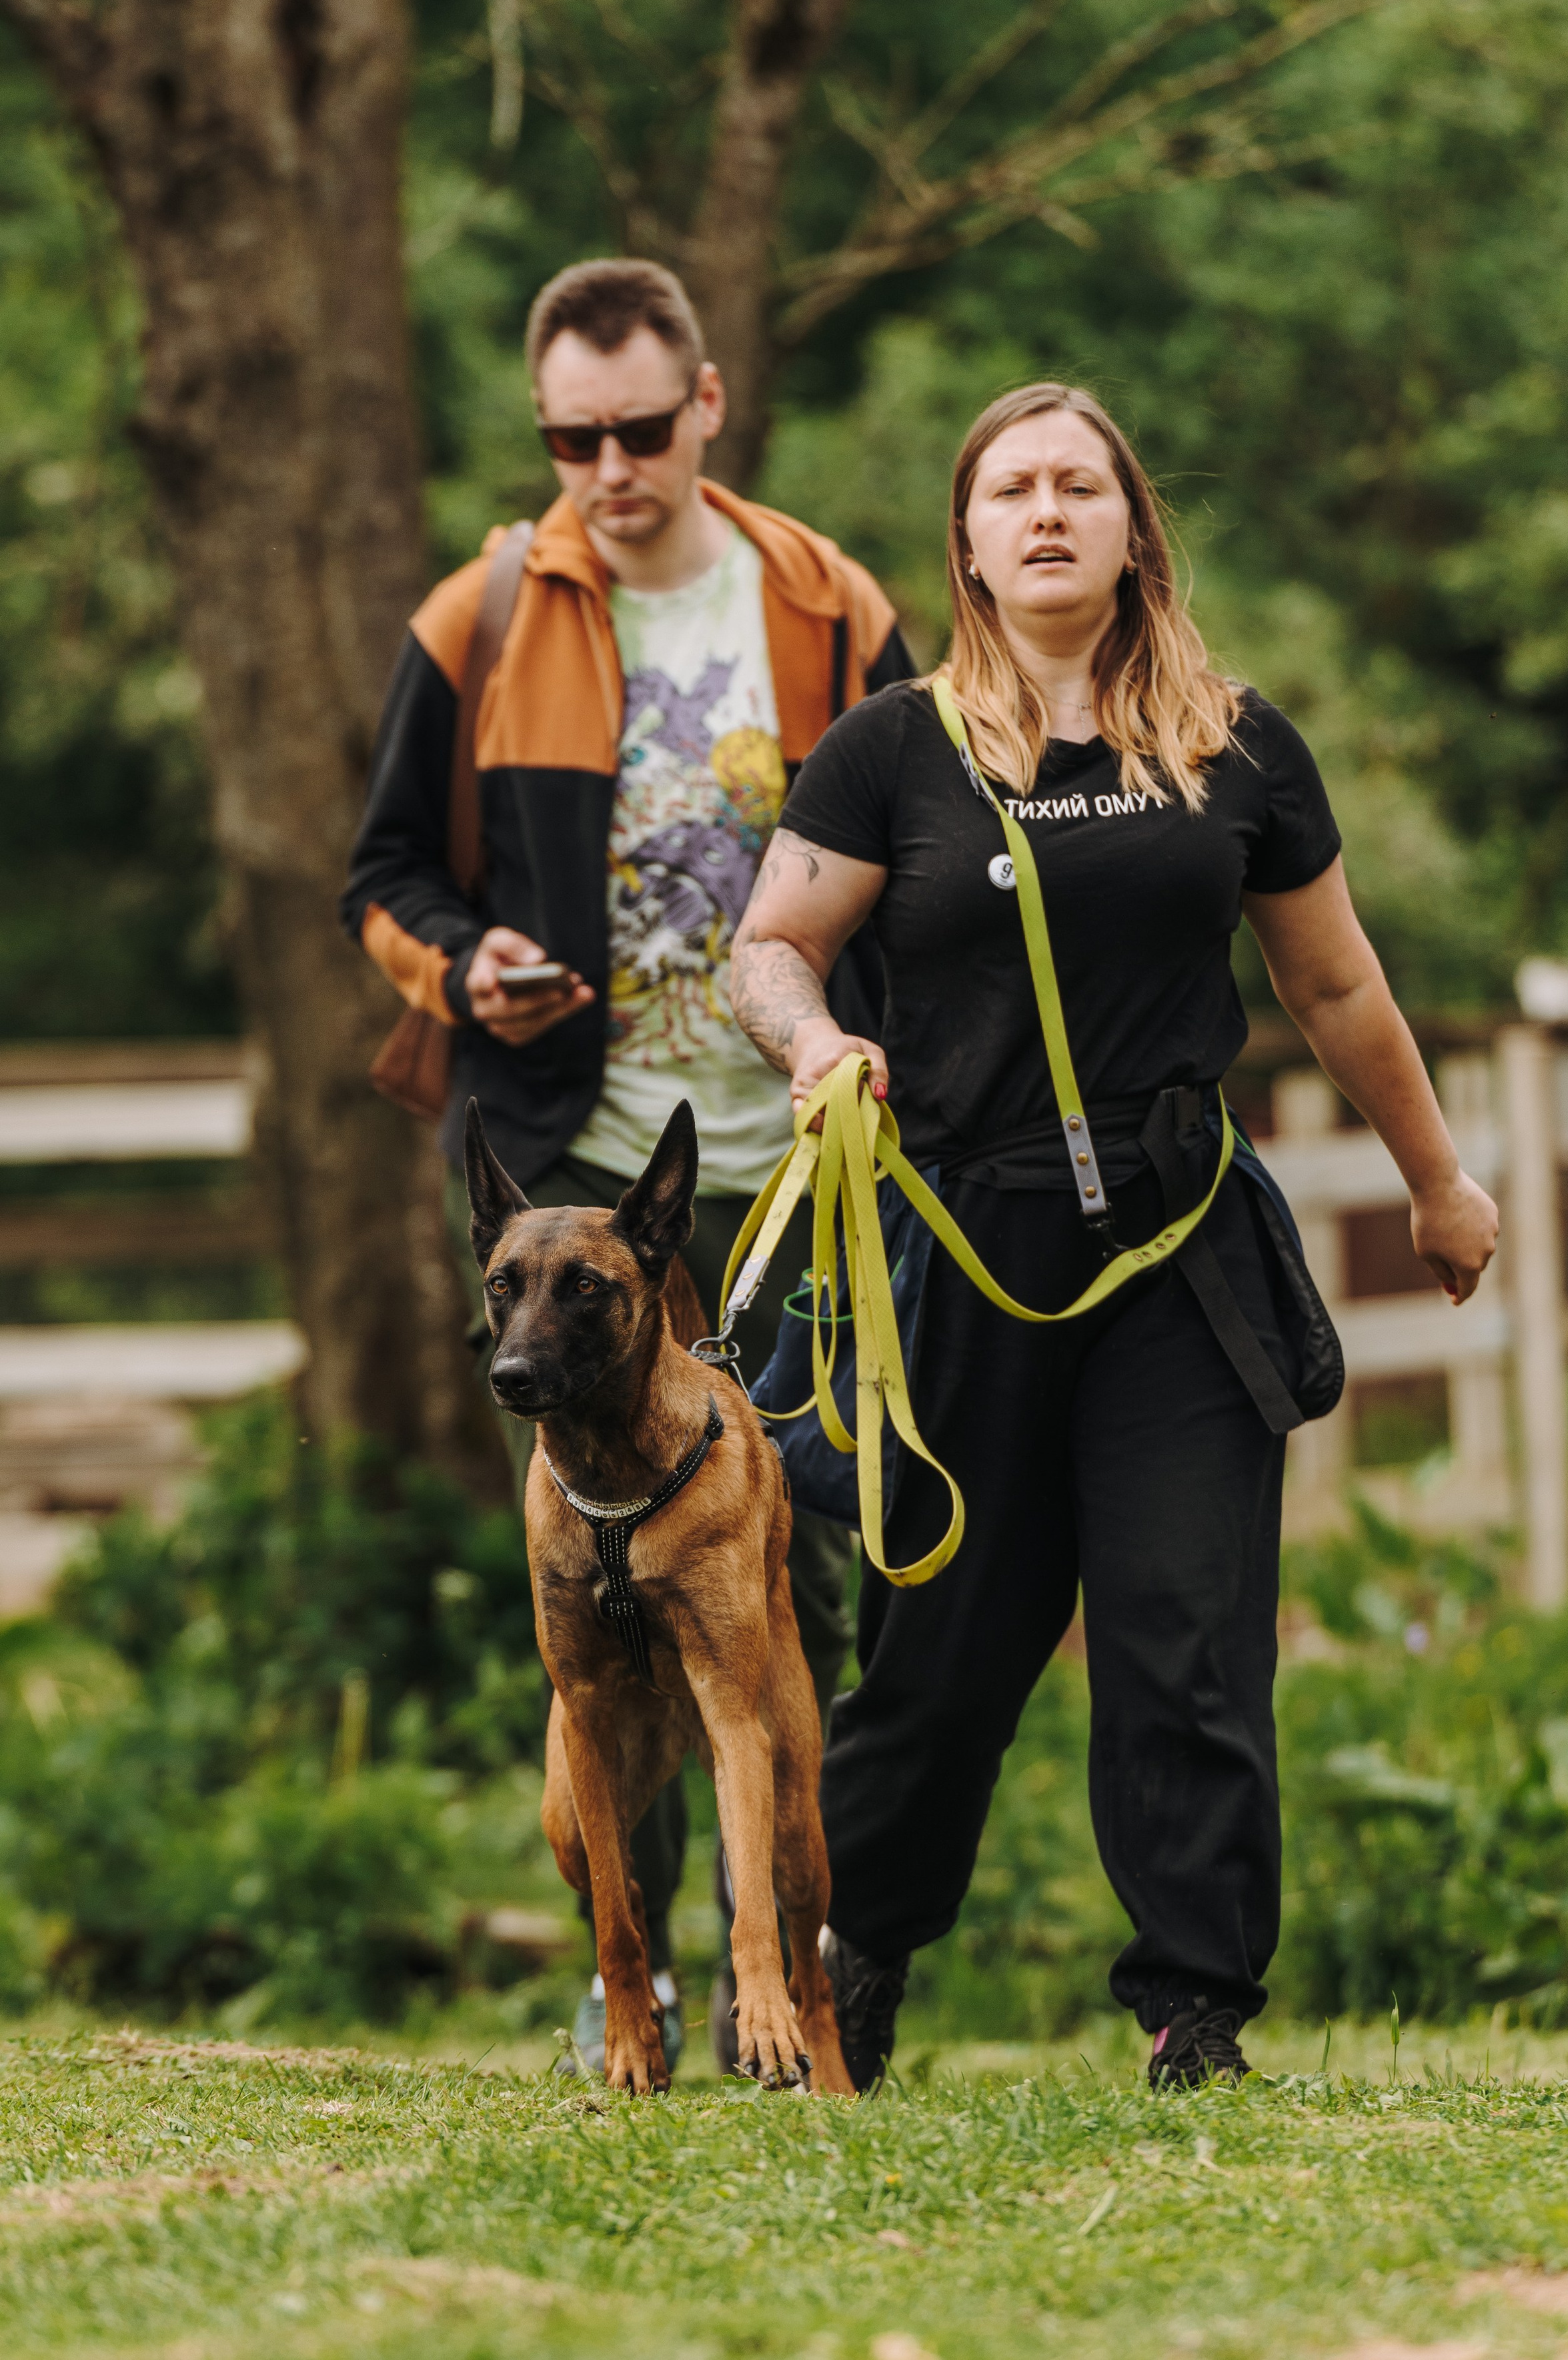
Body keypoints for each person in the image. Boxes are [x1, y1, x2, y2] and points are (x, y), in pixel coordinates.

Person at [730, 381, 1499, 2091]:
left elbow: (1335, 980)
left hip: (1176, 1254)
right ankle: (852, 1953)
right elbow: (767, 946)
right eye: (1013, 489)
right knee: (935, 1656)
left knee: (1186, 1635)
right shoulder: (889, 750)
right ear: (970, 543)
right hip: (964, 1249)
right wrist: (811, 1041)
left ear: (1134, 528)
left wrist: (1438, 1180)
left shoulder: (1233, 741)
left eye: (1082, 484)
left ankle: (1192, 2011)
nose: (1049, 510)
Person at [339, 257, 912, 2069]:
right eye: (571, 436)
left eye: (639, 428)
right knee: (598, 1600)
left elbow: (931, 858)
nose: (607, 466)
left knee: (811, 1586)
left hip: (779, 1188)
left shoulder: (825, 605)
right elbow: (381, 877)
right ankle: (635, 1982)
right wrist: (461, 965)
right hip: (562, 1164)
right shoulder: (486, 611)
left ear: (709, 404)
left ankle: (820, 1977)